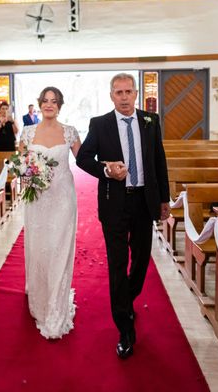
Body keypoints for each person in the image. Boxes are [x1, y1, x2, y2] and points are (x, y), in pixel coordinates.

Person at [76, 73, 170, 359]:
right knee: (117, 263)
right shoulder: (100, 124)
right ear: (111, 95)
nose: (125, 97)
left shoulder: (151, 122)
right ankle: (125, 328)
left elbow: (159, 160)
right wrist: (106, 170)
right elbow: (82, 158)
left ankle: (125, 300)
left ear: (136, 93)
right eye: (119, 92)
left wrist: (164, 199)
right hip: (115, 203)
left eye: (129, 91)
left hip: (144, 201)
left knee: (141, 259)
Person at [19, 87, 81, 339]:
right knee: (39, 246)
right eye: (45, 101)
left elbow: (85, 159)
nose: (49, 105)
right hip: (38, 199)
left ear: (60, 105)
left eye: (54, 101)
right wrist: (27, 175)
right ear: (39, 104)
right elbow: (21, 163)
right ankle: (39, 291)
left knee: (58, 247)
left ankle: (56, 301)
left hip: (63, 198)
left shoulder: (69, 132)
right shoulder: (27, 132)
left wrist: (108, 168)